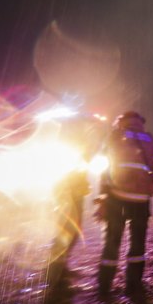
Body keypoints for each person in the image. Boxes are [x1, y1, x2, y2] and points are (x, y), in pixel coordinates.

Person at [96, 111, 153, 301]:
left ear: (121, 121)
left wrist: (103, 196)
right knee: (138, 244)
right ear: (141, 123)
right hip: (141, 199)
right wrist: (149, 190)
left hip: (117, 197)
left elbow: (104, 166)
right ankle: (133, 286)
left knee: (112, 242)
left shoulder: (115, 136)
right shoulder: (149, 139)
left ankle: (104, 286)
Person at [47, 113, 105, 289]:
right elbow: (84, 158)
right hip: (67, 194)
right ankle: (55, 269)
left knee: (72, 229)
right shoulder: (71, 147)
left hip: (74, 194)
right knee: (67, 229)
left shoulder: (79, 146)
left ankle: (60, 265)